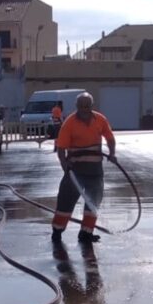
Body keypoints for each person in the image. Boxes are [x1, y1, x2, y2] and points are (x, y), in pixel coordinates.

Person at [51, 92, 116, 243]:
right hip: (75, 171)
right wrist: (64, 165)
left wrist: (112, 153)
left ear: (91, 106)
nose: (84, 109)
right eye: (81, 106)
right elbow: (61, 149)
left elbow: (110, 138)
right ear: (77, 107)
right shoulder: (70, 123)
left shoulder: (100, 120)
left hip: (95, 171)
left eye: (87, 106)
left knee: (93, 203)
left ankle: (86, 233)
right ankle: (57, 231)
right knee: (66, 202)